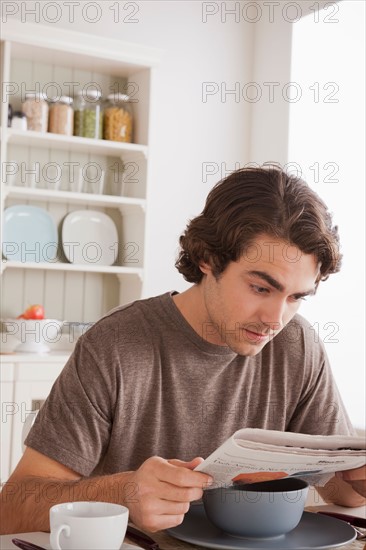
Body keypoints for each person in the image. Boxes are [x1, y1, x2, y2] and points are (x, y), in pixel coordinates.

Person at [1, 166, 365, 535]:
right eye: (260, 288)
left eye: (296, 297)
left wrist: (359, 480)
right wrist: (123, 493)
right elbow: (11, 508)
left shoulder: (297, 344)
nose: (276, 318)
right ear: (207, 258)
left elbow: (340, 487)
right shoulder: (115, 344)